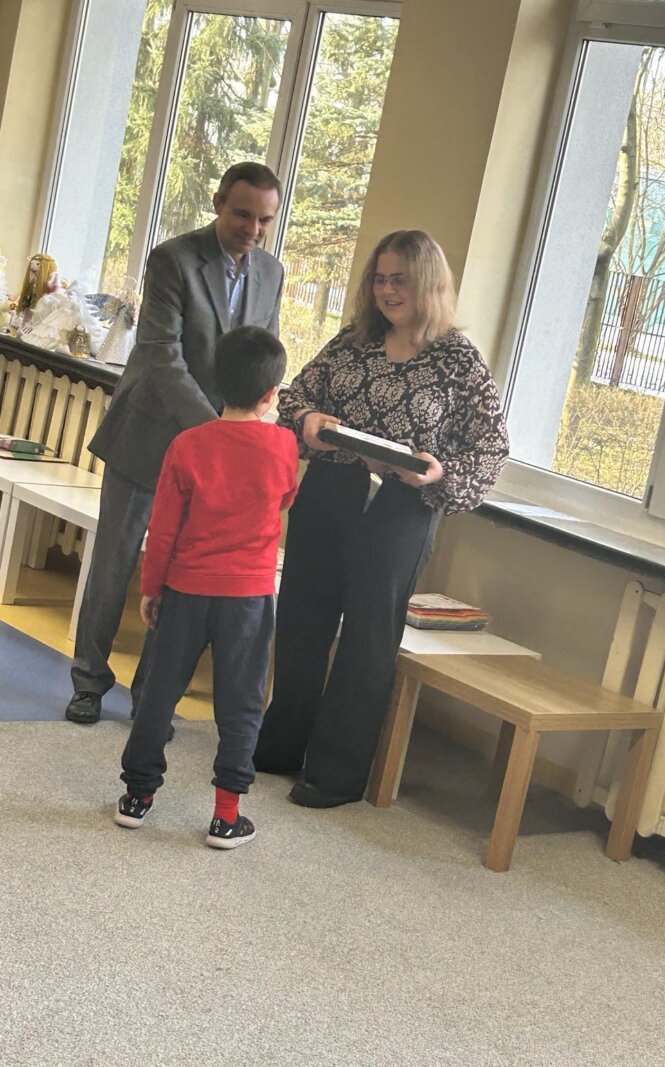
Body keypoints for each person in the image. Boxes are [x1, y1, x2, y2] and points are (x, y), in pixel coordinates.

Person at [252, 229, 509, 808]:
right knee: (302, 621)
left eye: (401, 280)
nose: (388, 291)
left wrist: (438, 474)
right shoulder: (353, 341)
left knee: (368, 639)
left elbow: (491, 449)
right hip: (331, 491)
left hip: (401, 508)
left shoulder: (458, 359)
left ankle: (336, 773)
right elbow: (294, 397)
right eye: (380, 278)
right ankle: (280, 745)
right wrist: (309, 420)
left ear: (428, 284)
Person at [66, 161, 285, 726]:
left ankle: (151, 694)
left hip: (215, 450)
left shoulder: (272, 272)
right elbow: (163, 355)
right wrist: (216, 431)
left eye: (264, 220)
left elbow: (259, 353)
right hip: (149, 434)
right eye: (242, 215)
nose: (253, 230)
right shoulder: (174, 259)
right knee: (115, 564)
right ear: (218, 204)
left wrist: (247, 424)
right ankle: (88, 681)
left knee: (178, 575)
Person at [114, 325, 298, 848]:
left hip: (186, 589)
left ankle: (137, 797)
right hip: (249, 595)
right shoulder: (283, 445)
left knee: (158, 693)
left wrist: (152, 588)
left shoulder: (187, 444)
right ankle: (226, 815)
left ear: (216, 381)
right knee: (241, 703)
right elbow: (285, 498)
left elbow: (163, 527)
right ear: (271, 394)